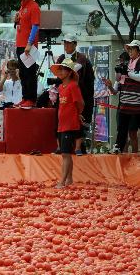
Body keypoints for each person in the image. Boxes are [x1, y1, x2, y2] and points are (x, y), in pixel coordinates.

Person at [55, 35, 94, 154]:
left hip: (82, 96)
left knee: (80, 124)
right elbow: (57, 72)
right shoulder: (61, 57)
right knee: (62, 123)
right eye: (65, 43)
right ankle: (62, 148)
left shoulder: (81, 57)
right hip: (65, 97)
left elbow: (75, 68)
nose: (66, 45)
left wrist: (64, 69)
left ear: (75, 44)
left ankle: (80, 150)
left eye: (69, 43)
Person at [51, 58, 84, 188]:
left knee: (65, 153)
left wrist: (77, 114)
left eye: (63, 69)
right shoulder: (60, 87)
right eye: (60, 69)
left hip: (70, 124)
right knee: (66, 153)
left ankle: (62, 181)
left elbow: (80, 103)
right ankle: (69, 179)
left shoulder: (73, 86)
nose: (60, 71)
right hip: (62, 124)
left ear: (70, 72)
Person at [104, 40, 140, 154]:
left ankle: (135, 159)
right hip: (124, 105)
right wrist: (109, 85)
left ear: (138, 51)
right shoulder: (127, 65)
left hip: (136, 105)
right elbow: (115, 91)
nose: (130, 51)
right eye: (129, 49)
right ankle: (119, 152)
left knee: (133, 133)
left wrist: (127, 72)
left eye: (132, 49)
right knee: (122, 131)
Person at [12, 0, 41, 108]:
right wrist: (16, 21)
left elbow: (35, 26)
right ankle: (25, 97)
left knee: (29, 72)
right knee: (23, 73)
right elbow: (20, 26)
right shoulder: (22, 7)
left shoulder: (34, 7)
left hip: (28, 45)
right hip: (20, 44)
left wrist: (29, 44)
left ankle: (31, 99)